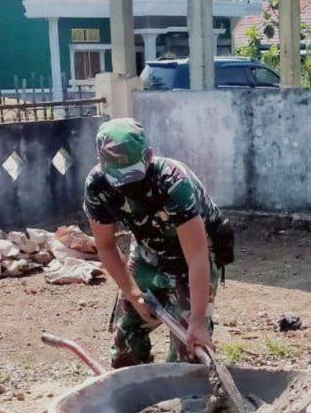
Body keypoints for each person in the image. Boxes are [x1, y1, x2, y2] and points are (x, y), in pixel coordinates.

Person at [84, 117, 232, 368]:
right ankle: (141, 400)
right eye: (120, 180)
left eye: (133, 176)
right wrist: (134, 295)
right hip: (147, 251)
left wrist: (196, 323)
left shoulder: (173, 181)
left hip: (193, 257)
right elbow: (106, 246)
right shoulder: (98, 186)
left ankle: (193, 399)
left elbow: (196, 257)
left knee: (189, 355)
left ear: (149, 155)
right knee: (124, 348)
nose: (129, 186)